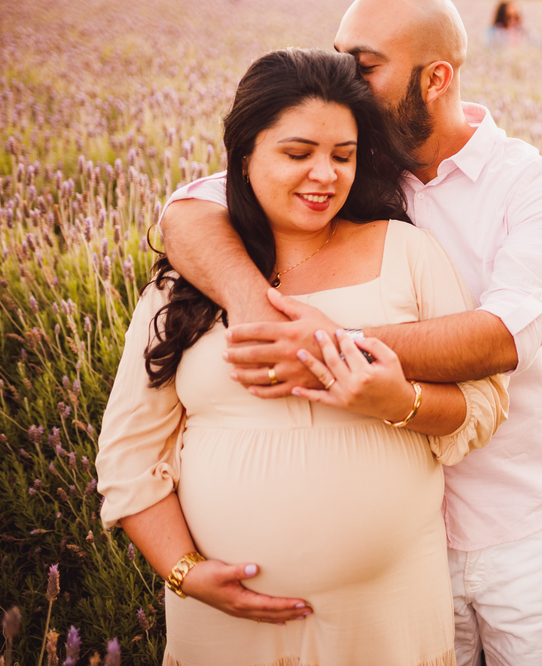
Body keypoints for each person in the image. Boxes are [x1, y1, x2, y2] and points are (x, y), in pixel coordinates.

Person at [159, 0, 542, 666]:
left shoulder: (533, 185)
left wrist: (326, 348)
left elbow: (502, 337)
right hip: (403, 549)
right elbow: (188, 211)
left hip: (515, 526)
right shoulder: (342, 163)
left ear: (435, 79)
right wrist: (251, 307)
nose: (343, 82)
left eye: (363, 66)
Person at [97, 48, 508, 666]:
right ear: (244, 156)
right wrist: (183, 571)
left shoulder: (406, 251)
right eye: (297, 154)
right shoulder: (190, 279)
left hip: (384, 617)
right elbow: (130, 451)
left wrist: (399, 401)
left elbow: (483, 405)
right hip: (225, 628)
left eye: (343, 156)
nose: (324, 175)